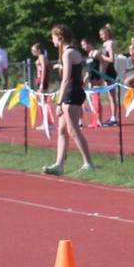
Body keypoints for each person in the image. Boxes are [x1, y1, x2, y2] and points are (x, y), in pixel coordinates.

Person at [42, 25, 94, 175]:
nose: (52, 40)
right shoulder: (72, 52)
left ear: (60, 37)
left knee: (73, 130)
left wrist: (59, 102)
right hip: (73, 91)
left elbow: (66, 80)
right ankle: (59, 164)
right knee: (62, 130)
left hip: (71, 93)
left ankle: (88, 163)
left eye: (53, 37)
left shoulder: (67, 53)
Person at [81, 38, 106, 127]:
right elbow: (90, 69)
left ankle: (99, 120)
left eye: (84, 45)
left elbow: (103, 65)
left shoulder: (96, 53)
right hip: (91, 80)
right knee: (93, 101)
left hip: (97, 79)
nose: (83, 47)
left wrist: (102, 78)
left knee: (96, 100)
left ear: (90, 44)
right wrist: (85, 78)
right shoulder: (89, 54)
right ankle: (95, 119)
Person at [98, 25, 119, 126]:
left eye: (102, 34)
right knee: (110, 96)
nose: (101, 36)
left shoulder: (109, 43)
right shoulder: (104, 44)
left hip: (110, 71)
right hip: (105, 70)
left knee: (112, 96)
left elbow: (111, 59)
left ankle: (114, 118)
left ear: (107, 33)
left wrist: (100, 56)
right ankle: (112, 117)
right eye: (100, 35)